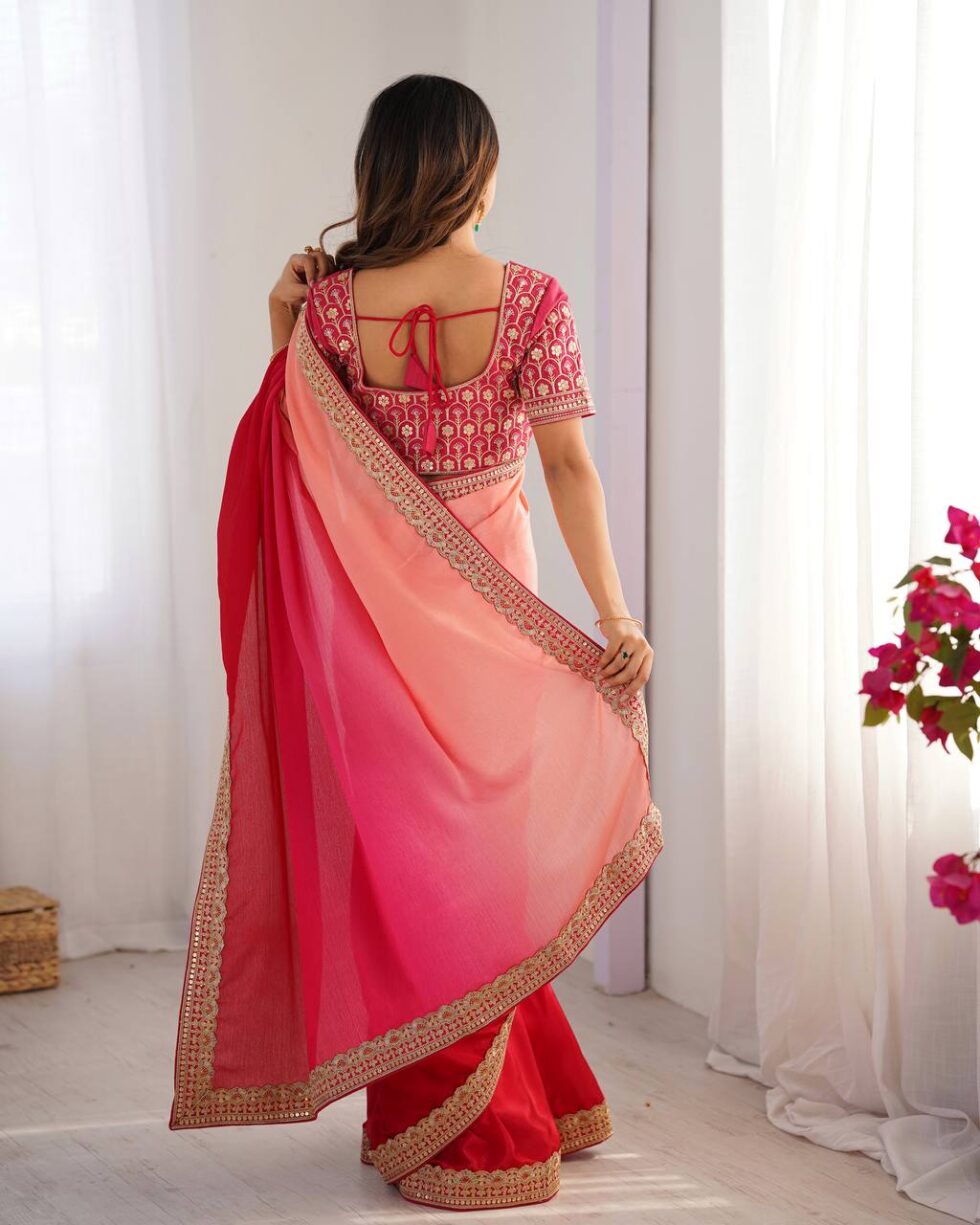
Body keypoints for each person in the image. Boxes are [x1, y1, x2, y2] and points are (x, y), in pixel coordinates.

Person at [169, 73, 663, 1212]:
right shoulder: (532, 299)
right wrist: (615, 617)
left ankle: (488, 1099)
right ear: (477, 172)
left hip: (371, 628)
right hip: (496, 623)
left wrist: (284, 328)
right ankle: (480, 1126)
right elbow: (568, 466)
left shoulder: (336, 313)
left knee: (408, 859)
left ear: (381, 172)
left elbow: (300, 455)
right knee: (487, 853)